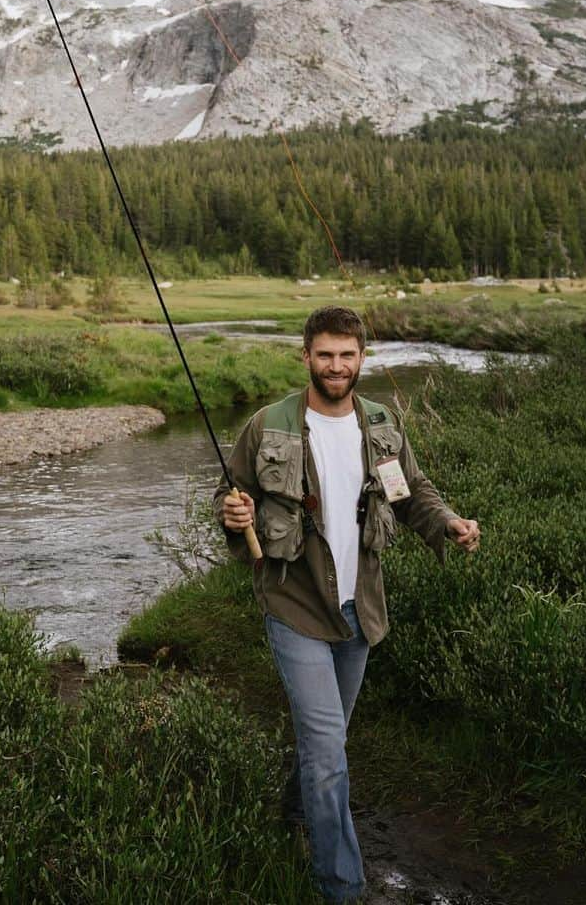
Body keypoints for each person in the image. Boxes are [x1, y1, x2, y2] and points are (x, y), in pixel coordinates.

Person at [214, 305, 479, 904]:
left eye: (347, 355)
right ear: (305, 355)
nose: (336, 366)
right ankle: (342, 888)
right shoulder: (267, 425)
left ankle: (294, 815)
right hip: (294, 605)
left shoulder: (381, 423)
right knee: (329, 751)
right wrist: (233, 517)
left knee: (324, 743)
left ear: (363, 358)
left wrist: (448, 524)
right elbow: (233, 498)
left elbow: (411, 496)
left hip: (361, 609)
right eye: (325, 355)